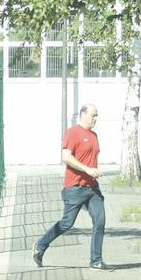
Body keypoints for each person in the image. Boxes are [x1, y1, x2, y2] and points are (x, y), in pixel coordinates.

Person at [33, 104, 111, 271]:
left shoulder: (94, 135)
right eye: (93, 115)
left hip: (92, 187)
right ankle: (40, 245)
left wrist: (94, 170)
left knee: (100, 220)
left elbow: (89, 158)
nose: (95, 119)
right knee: (67, 223)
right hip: (75, 187)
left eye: (97, 116)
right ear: (83, 115)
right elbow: (66, 157)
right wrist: (87, 169)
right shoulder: (73, 132)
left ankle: (96, 260)